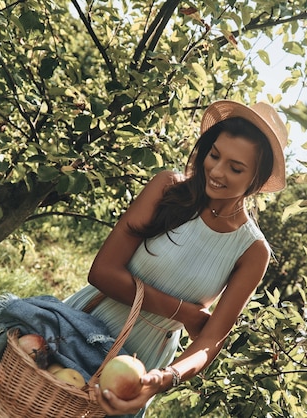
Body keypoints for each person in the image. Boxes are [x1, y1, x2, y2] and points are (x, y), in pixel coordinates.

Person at [63, 99, 289, 416]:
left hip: (142, 361)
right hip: (84, 323)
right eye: (214, 155)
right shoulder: (168, 188)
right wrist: (188, 314)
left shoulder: (252, 251)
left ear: (257, 180)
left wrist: (167, 377)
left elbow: (210, 342)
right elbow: (102, 272)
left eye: (236, 168)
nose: (217, 172)